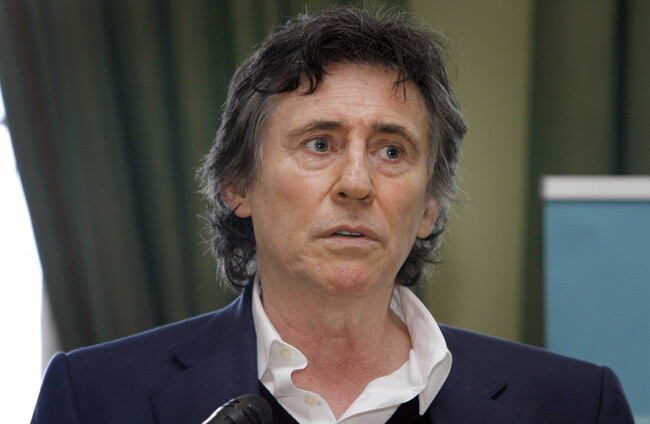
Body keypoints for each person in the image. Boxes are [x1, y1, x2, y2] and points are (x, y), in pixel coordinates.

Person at [31, 6, 633, 424]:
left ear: (428, 207)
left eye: (391, 151)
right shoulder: (96, 398)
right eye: (320, 144)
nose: (356, 183)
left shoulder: (575, 405)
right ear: (238, 185)